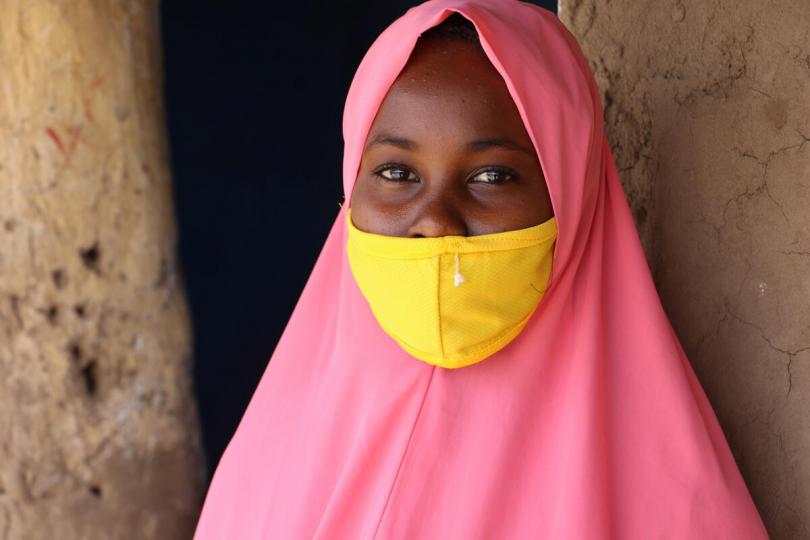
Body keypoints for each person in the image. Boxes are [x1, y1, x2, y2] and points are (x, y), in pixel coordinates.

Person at [193, 1, 769, 538]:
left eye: (492, 177)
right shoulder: (271, 454)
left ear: (571, 191)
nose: (436, 223)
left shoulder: (672, 487)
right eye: (397, 173)